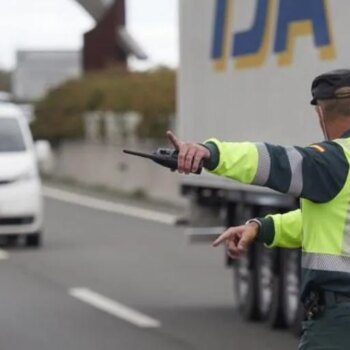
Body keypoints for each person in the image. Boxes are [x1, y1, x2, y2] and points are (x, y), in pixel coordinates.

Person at [167, 69, 350, 350]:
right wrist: (263, 228)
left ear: (321, 115)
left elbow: (272, 161)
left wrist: (211, 154)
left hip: (339, 323)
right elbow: (337, 224)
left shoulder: (334, 161)